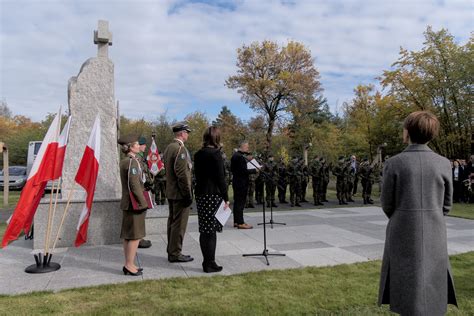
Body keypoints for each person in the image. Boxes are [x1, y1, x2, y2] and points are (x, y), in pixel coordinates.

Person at [378, 111, 457, 315]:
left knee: (405, 280)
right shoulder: (443, 163)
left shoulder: (394, 163)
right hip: (435, 230)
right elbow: (446, 205)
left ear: (407, 132)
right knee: (432, 279)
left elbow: (387, 204)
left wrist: (404, 216)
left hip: (402, 229)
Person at [194, 126, 229, 273]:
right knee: (211, 231)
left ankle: (208, 261)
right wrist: (226, 197)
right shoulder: (216, 155)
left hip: (201, 194)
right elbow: (221, 178)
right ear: (217, 138)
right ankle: (209, 263)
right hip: (213, 195)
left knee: (205, 230)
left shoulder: (198, 154)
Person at [163, 122, 194, 263]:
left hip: (171, 191)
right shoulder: (180, 149)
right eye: (187, 132)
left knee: (173, 222)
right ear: (181, 133)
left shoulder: (169, 147)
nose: (187, 135)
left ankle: (171, 250)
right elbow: (182, 174)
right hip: (180, 193)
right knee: (179, 224)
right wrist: (187, 194)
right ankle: (175, 252)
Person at [118, 135, 149, 276]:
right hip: (134, 204)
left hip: (129, 203)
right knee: (135, 236)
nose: (139, 146)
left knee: (128, 235)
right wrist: (143, 202)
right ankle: (129, 264)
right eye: (136, 144)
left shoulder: (127, 161)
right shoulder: (132, 163)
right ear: (130, 147)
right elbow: (135, 185)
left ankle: (129, 263)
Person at [231, 141, 257, 229]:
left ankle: (236, 221)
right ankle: (240, 222)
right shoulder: (239, 157)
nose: (247, 148)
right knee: (240, 203)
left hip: (236, 182)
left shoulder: (235, 156)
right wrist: (254, 170)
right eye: (246, 147)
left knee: (237, 202)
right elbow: (243, 171)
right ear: (241, 147)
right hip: (241, 183)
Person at [137, 136, 153, 249]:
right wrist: (150, 182)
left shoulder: (141, 157)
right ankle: (138, 239)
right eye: (143, 144)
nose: (145, 146)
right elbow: (141, 175)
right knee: (139, 216)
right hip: (141, 189)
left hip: (144, 189)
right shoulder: (137, 158)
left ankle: (139, 237)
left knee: (142, 215)